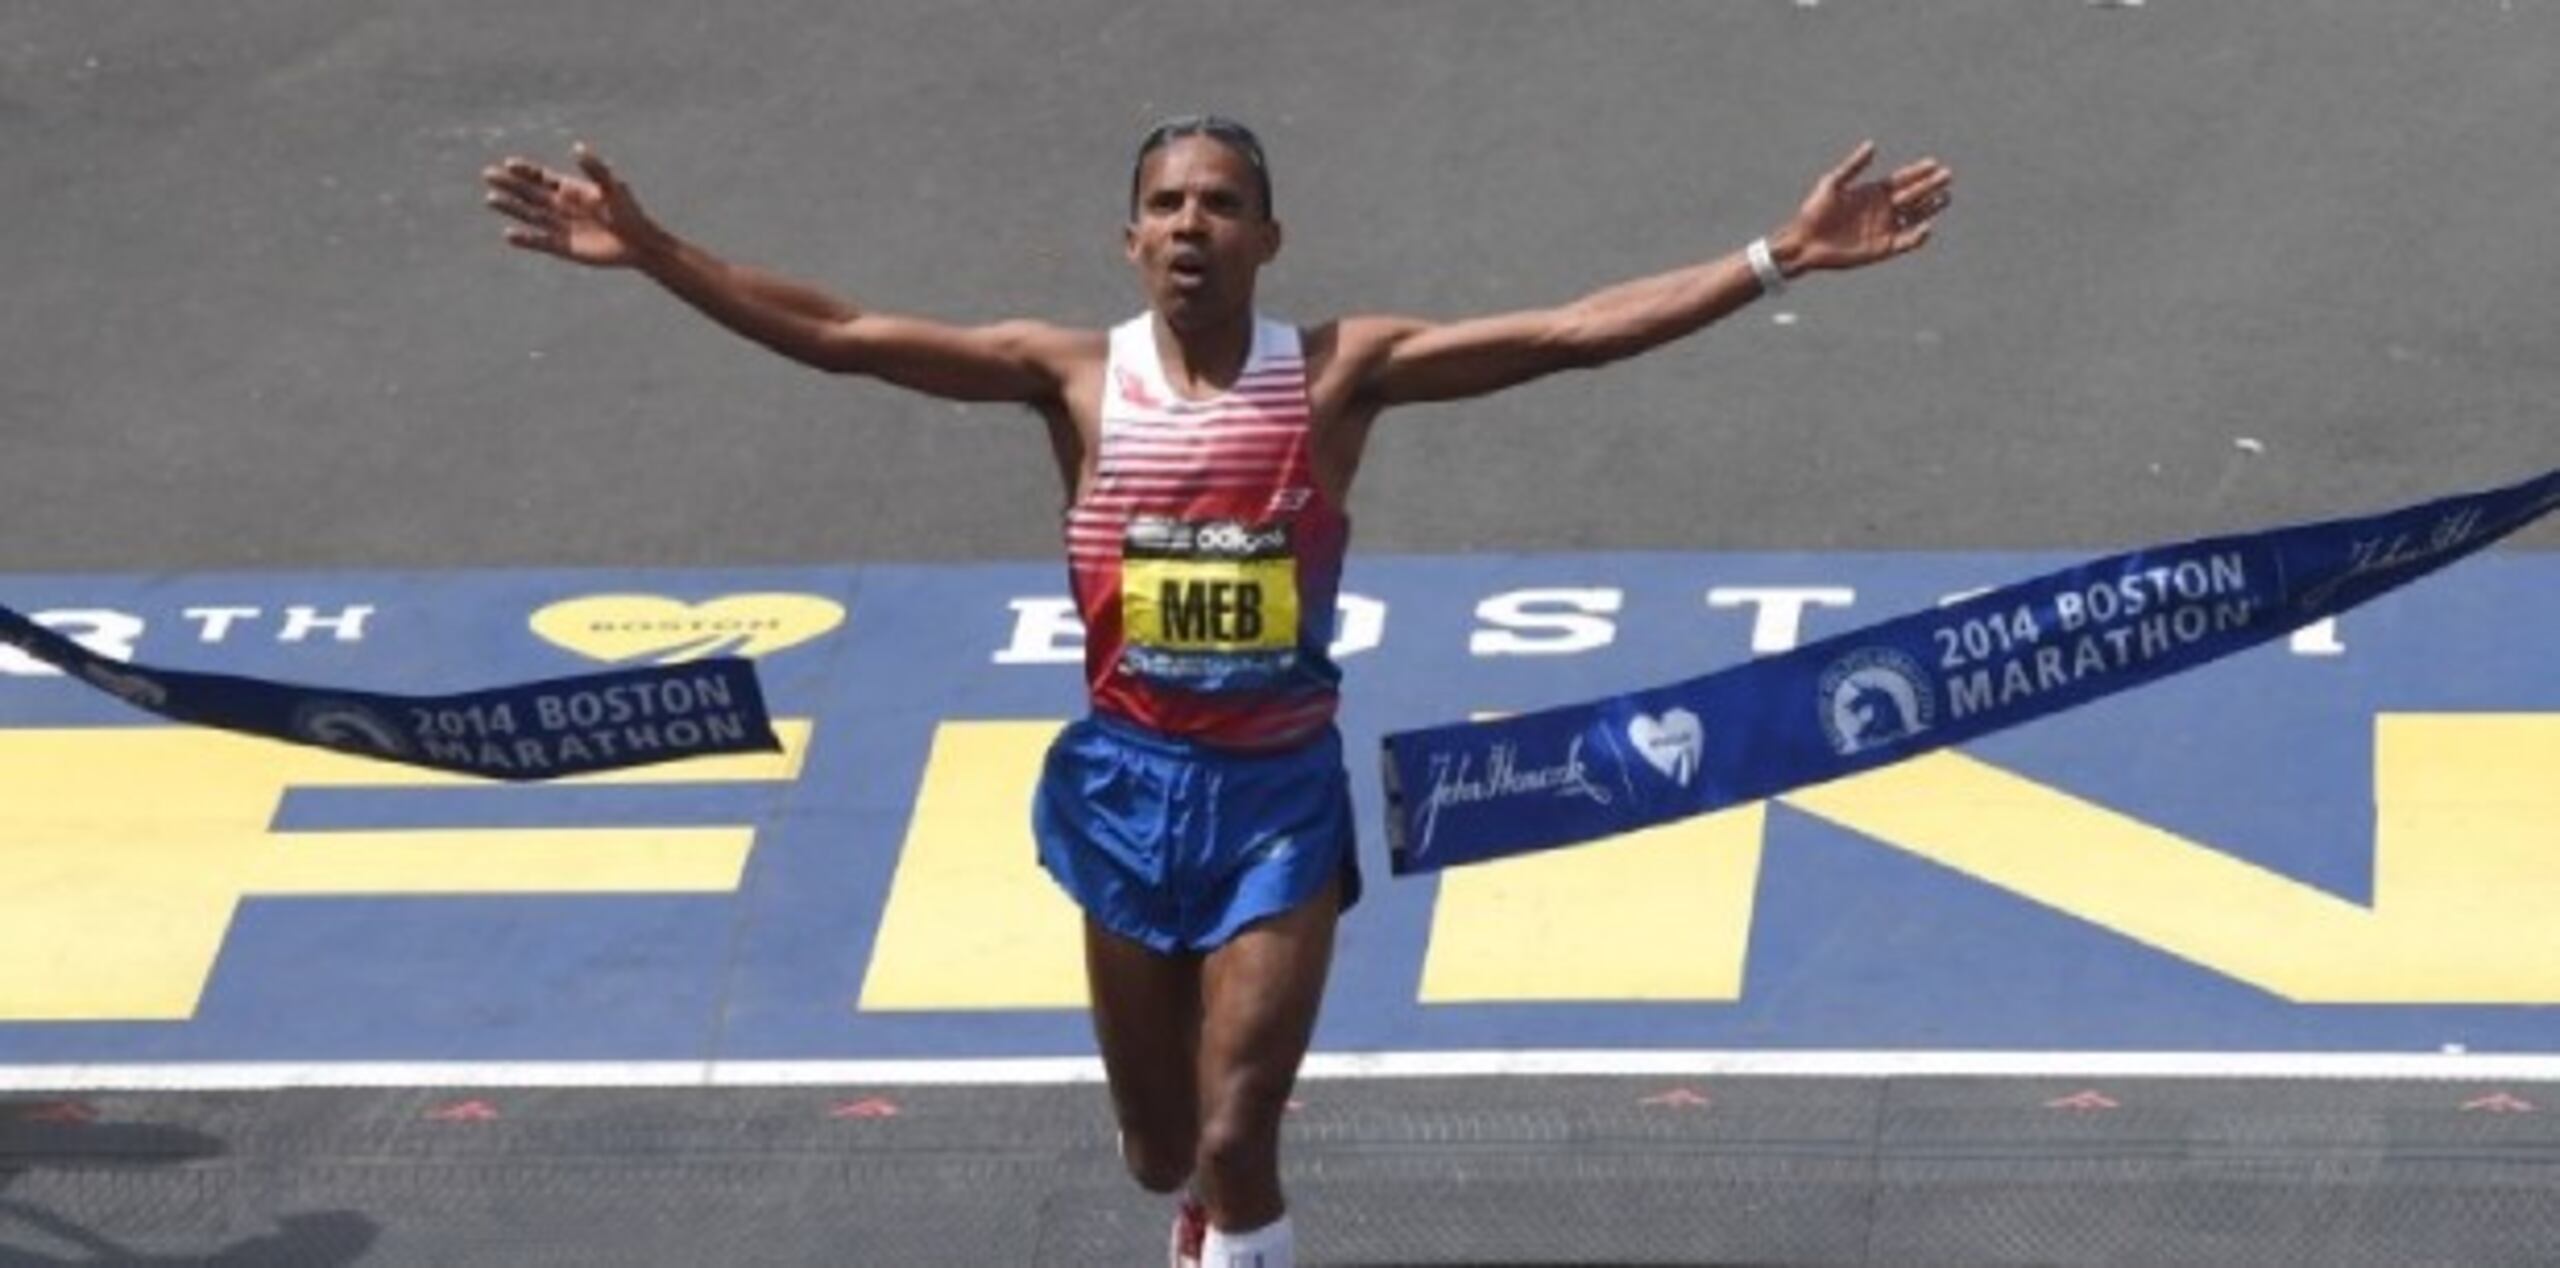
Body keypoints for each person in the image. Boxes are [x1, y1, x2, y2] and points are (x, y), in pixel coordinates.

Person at [481, 115, 1950, 1268]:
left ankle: (1235, 1223)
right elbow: (846, 336)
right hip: (1128, 791)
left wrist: (1778, 257)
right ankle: (1195, 1217)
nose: (1195, 224)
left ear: (1268, 236)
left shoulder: (1337, 375)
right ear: (1131, 240)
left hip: (1276, 809)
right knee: (1160, 1149)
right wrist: (658, 250)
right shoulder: (1065, 380)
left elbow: (1573, 329)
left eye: (1222, 203)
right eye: (1170, 204)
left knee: (1242, 1137)